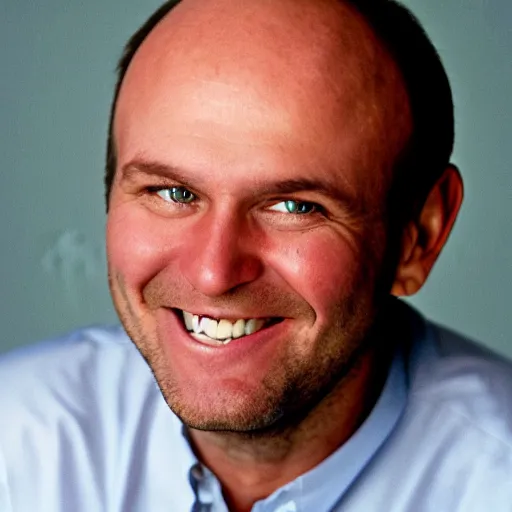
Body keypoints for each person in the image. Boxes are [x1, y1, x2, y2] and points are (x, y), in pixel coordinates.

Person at [1, 0, 512, 510]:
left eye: (294, 206)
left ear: (419, 236)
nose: (213, 273)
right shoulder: (16, 446)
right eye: (172, 193)